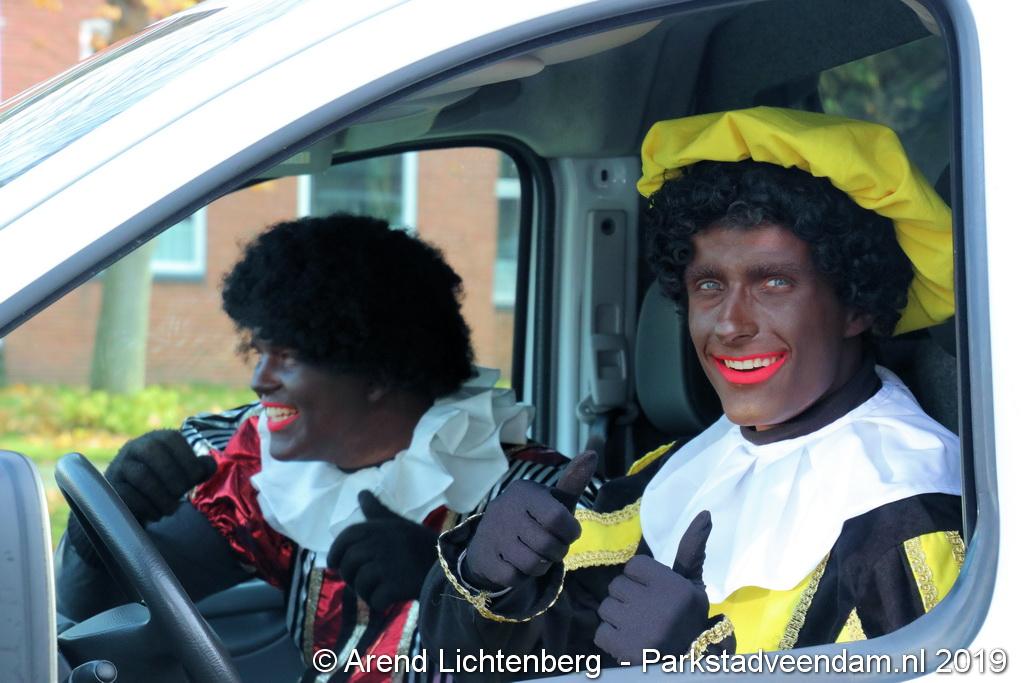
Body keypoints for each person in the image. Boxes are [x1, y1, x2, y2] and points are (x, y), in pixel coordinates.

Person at [418, 107, 963, 676]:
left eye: (774, 282)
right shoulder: (676, 471)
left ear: (857, 304)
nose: (729, 324)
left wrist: (691, 666)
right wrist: (485, 583)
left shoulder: (908, 525)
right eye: (709, 284)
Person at [56, 213, 596, 682]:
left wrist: (446, 581)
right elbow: (101, 615)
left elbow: (599, 659)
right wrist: (102, 527)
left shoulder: (537, 498)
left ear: (377, 369)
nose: (259, 380)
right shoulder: (266, 469)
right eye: (259, 352)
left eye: (288, 357)